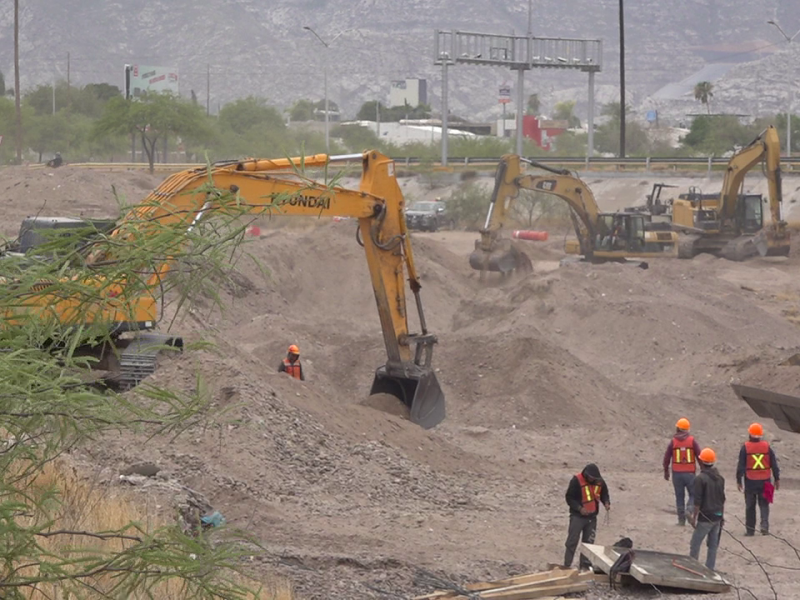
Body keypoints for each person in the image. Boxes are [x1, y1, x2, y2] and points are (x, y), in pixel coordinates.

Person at [564, 463, 611, 570]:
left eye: (594, 478)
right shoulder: (576, 480)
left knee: (589, 544)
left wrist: (606, 502)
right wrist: (579, 508)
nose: (592, 479)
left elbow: (604, 493)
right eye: (591, 477)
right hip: (577, 517)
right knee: (572, 541)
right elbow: (569, 498)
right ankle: (567, 566)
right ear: (586, 474)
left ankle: (584, 566)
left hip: (592, 517)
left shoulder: (600, 481)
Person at [736, 422, 780, 536]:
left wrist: (738, 480)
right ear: (761, 435)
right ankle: (764, 526)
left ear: (750, 434)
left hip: (750, 481)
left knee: (750, 506)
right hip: (766, 480)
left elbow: (741, 465)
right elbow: (774, 464)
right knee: (765, 505)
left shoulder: (745, 448)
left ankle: (750, 530)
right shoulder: (767, 446)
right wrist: (777, 478)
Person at [689, 447, 725, 571]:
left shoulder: (700, 479)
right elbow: (722, 499)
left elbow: (697, 500)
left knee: (695, 543)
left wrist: (694, 517)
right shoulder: (720, 478)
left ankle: (693, 567)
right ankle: (710, 568)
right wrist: (722, 517)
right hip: (718, 516)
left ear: (701, 462)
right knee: (713, 545)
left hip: (706, 517)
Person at [663, 417, 702, 526]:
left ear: (678, 428)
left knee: (679, 497)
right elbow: (700, 456)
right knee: (694, 494)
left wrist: (666, 471)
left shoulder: (673, 442)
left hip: (677, 474)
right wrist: (704, 469)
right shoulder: (692, 441)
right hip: (690, 473)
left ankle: (681, 520)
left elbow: (666, 458)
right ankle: (689, 510)